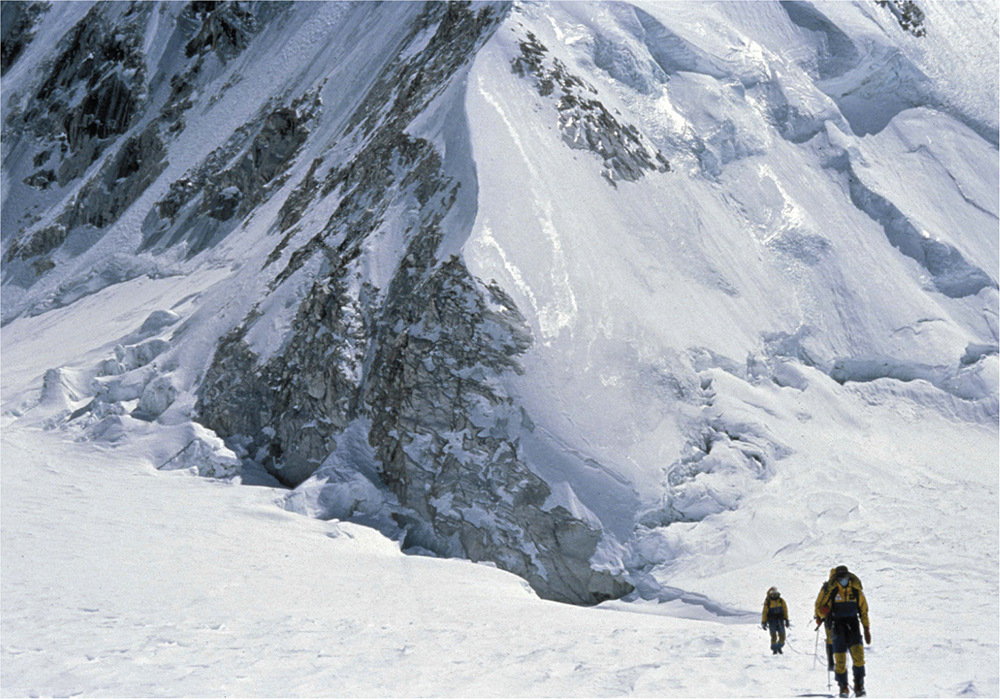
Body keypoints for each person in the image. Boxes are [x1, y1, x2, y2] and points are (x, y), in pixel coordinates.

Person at [815, 565, 870, 697]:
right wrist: (822, 612)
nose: (843, 580)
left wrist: (866, 628)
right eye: (841, 578)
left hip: (853, 625)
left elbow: (863, 609)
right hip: (837, 626)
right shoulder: (830, 590)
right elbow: (819, 607)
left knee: (859, 657)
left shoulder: (856, 590)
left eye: (845, 577)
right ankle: (843, 687)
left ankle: (859, 684)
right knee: (840, 660)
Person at [761, 586, 790, 654]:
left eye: (775, 593)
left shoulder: (781, 601)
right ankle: (774, 649)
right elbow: (765, 612)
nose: (774, 595)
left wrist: (786, 619)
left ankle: (779, 646)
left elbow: (785, 610)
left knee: (782, 635)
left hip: (780, 619)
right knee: (773, 636)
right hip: (772, 620)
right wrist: (764, 621)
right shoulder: (768, 602)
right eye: (773, 594)